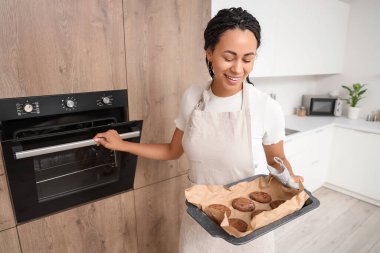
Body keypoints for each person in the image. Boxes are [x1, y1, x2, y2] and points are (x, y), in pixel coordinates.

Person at [94, 7, 303, 253]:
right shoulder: (192, 98)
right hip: (201, 218)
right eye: (229, 57)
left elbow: (277, 161)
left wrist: (291, 179)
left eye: (248, 59)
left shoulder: (266, 107)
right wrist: (121, 144)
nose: (238, 69)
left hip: (249, 227)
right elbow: (173, 151)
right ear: (209, 53)